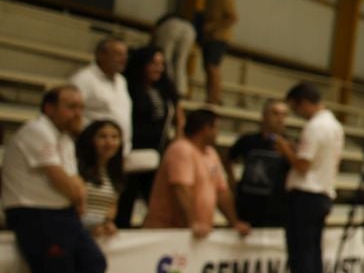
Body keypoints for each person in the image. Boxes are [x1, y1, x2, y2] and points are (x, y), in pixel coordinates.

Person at [1, 87, 105, 273]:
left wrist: (76, 193)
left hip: (63, 214)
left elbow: (77, 185)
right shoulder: (37, 131)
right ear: (49, 108)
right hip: (35, 214)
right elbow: (64, 182)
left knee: (94, 262)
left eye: (81, 107)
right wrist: (75, 192)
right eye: (71, 106)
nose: (77, 113)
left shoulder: (67, 140)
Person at [283, 83, 344, 273]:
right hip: (322, 193)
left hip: (306, 194)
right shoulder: (335, 126)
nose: (297, 113)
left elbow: (302, 164)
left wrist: (285, 149)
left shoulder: (315, 127)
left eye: (296, 107)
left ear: (304, 102)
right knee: (313, 253)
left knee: (301, 253)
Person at [145, 109, 251, 239]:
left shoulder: (211, 153)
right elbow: (181, 189)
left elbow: (221, 191)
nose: (218, 133)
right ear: (206, 128)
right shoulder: (181, 149)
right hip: (169, 232)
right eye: (217, 128)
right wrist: (193, 222)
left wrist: (234, 222)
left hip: (199, 231)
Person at [118, 45, 182, 227]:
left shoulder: (165, 89)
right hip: (131, 152)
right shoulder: (127, 86)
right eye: (153, 63)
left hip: (156, 152)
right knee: (126, 201)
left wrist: (177, 140)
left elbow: (178, 115)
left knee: (157, 203)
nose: (158, 68)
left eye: (161, 64)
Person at [227, 100, 293, 228]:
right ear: (264, 116)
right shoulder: (248, 140)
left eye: (284, 115)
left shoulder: (290, 144)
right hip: (248, 205)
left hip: (276, 208)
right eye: (275, 114)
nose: (280, 119)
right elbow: (229, 158)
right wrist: (232, 180)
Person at [69, 37, 132, 140]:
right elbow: (71, 115)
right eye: (118, 54)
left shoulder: (122, 81)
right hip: (91, 148)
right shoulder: (83, 79)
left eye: (125, 54)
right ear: (101, 55)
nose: (124, 59)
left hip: (119, 149)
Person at [75, 119, 126, 240]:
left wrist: (107, 223)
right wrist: (93, 224)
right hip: (78, 232)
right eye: (102, 137)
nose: (109, 142)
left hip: (100, 235)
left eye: (114, 137)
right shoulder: (76, 169)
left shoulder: (115, 174)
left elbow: (111, 206)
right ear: (90, 140)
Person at [194, 0, 238, 105]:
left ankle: (215, 97)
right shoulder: (208, 1)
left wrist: (213, 26)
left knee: (213, 66)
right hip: (209, 38)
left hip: (220, 38)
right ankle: (210, 96)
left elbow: (233, 18)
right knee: (207, 67)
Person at [150, 10, 197, 97]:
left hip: (171, 26)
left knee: (165, 59)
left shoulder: (163, 24)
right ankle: (181, 91)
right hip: (190, 28)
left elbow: (153, 41)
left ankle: (166, 88)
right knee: (181, 62)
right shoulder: (183, 22)